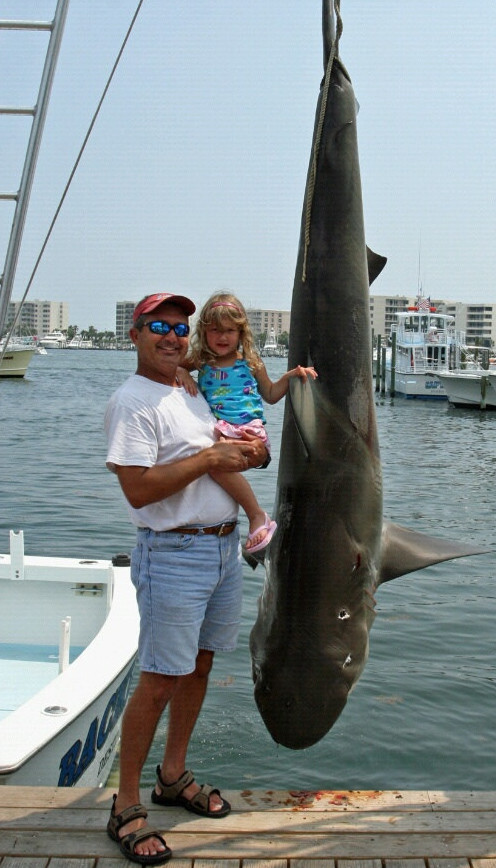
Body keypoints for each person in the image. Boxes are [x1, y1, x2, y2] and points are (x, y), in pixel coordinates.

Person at [104, 292, 269, 865]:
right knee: (160, 678)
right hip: (174, 553)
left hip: (222, 549)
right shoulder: (133, 401)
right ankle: (125, 805)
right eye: (158, 327)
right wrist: (208, 462)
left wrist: (242, 455)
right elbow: (139, 489)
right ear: (135, 334)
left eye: (179, 327)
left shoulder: (192, 388)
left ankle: (171, 776)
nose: (171, 337)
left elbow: (219, 450)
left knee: (200, 665)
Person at [181, 290, 317, 553]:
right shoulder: (202, 361)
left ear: (241, 333)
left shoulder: (251, 363)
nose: (223, 337)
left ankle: (256, 515)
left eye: (230, 330)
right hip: (222, 431)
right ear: (204, 331)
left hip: (249, 430)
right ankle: (252, 522)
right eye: (215, 330)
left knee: (215, 466)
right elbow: (174, 366)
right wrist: (181, 372)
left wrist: (290, 378)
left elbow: (271, 394)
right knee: (212, 464)